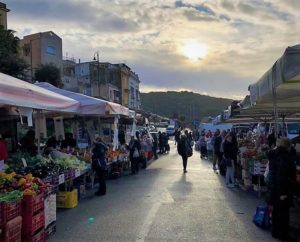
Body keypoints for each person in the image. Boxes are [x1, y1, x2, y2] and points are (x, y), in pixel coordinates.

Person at [267, 138, 297, 241]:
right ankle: (283, 235)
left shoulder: (275, 154)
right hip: (282, 189)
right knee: (283, 213)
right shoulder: (284, 157)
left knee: (276, 211)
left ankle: (275, 232)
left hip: (274, 188)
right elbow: (282, 176)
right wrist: (283, 193)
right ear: (288, 146)